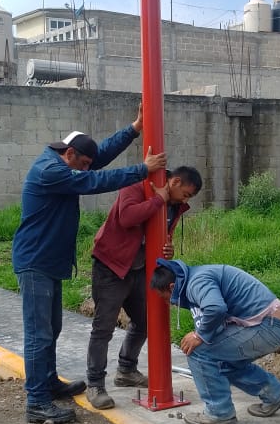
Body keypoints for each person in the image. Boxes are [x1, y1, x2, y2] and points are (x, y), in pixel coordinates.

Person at [12, 106, 166, 424]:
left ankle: (49, 382)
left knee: (50, 331)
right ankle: (37, 401)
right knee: (39, 335)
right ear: (69, 154)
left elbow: (99, 159)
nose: (85, 169)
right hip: (36, 262)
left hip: (48, 263)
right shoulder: (49, 171)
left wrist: (134, 128)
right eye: (82, 164)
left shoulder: (63, 163)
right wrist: (142, 169)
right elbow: (95, 180)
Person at [85, 166, 203, 409]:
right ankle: (95, 384)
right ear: (175, 181)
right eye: (187, 194)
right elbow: (127, 217)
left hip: (139, 268)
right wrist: (159, 198)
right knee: (103, 327)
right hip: (111, 265)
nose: (186, 199)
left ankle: (126, 370)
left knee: (146, 320)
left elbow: (158, 233)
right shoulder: (136, 186)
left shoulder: (173, 204)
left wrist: (166, 247)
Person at [150, 259, 280, 424]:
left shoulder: (196, 281)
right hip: (268, 326)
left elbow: (215, 308)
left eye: (165, 298)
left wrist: (198, 335)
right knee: (221, 362)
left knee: (198, 351)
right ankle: (275, 394)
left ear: (172, 287)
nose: (169, 303)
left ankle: (219, 413)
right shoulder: (196, 279)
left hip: (264, 327)